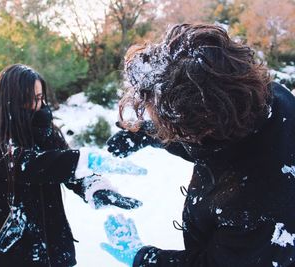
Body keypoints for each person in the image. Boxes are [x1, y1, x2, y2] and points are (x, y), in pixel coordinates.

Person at [101, 24, 295, 266]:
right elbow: (215, 143)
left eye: (165, 124)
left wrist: (144, 258)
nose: (157, 124)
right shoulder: (264, 98)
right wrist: (146, 135)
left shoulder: (258, 206)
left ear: (203, 126)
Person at [0, 63, 142, 267]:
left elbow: (67, 169)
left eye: (39, 98)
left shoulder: (43, 128)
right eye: (29, 100)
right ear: (10, 100)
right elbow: (28, 165)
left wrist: (94, 187)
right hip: (9, 254)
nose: (37, 105)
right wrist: (83, 159)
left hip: (52, 248)